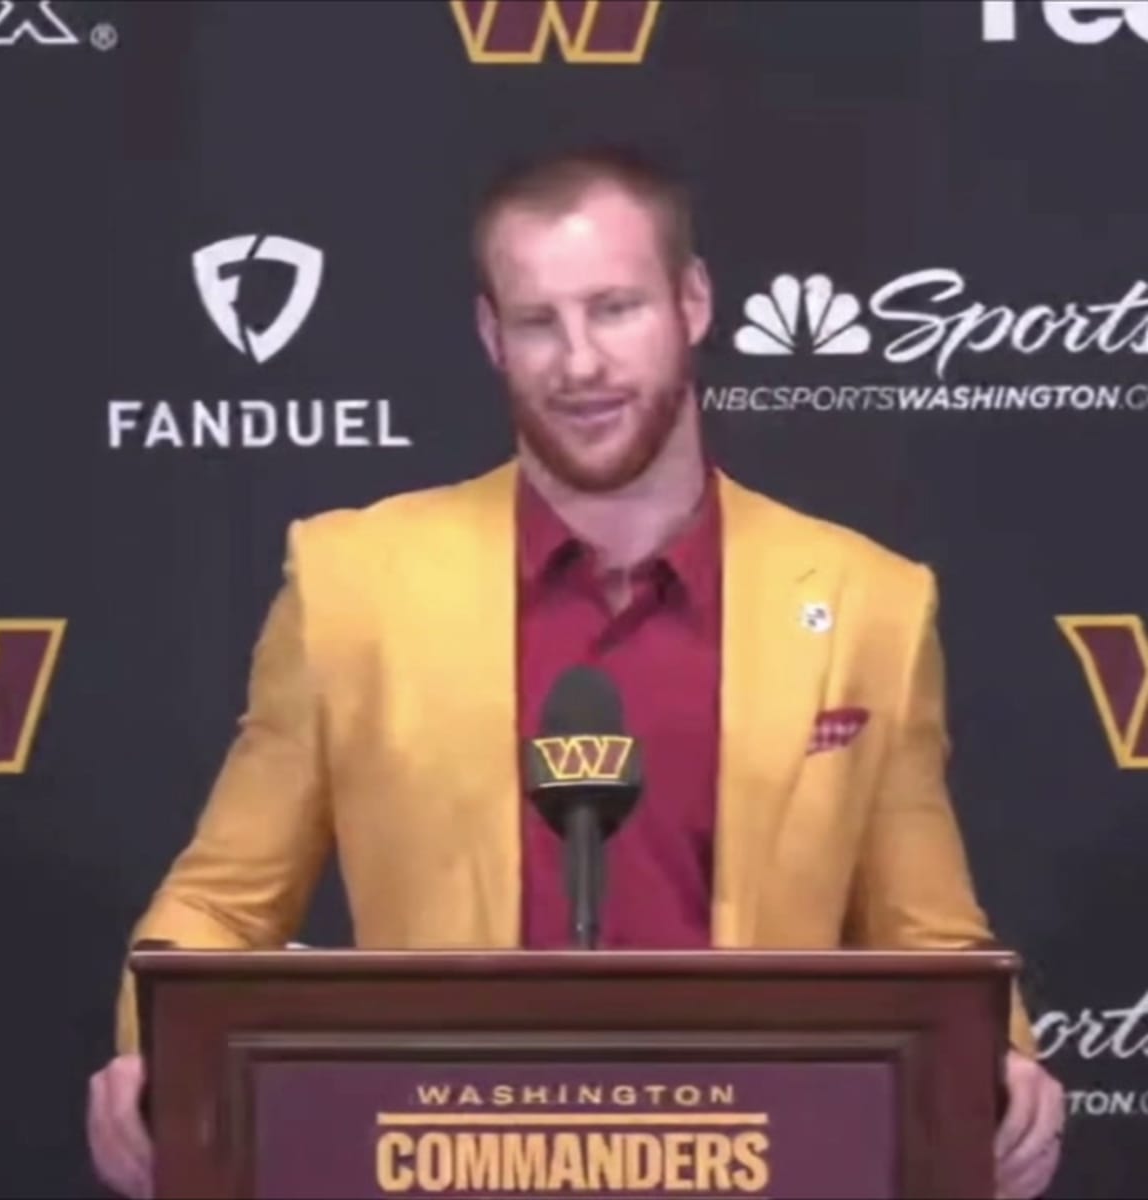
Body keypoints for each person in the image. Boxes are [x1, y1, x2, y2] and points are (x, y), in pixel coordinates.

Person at [86, 146, 1064, 1199]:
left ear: (691, 303)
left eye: (615, 308)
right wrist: (155, 1053)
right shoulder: (350, 584)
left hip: (761, 1164)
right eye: (540, 321)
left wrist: (1002, 1063)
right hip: (440, 1166)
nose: (580, 363)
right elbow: (221, 907)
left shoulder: (873, 600)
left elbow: (930, 939)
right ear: (490, 337)